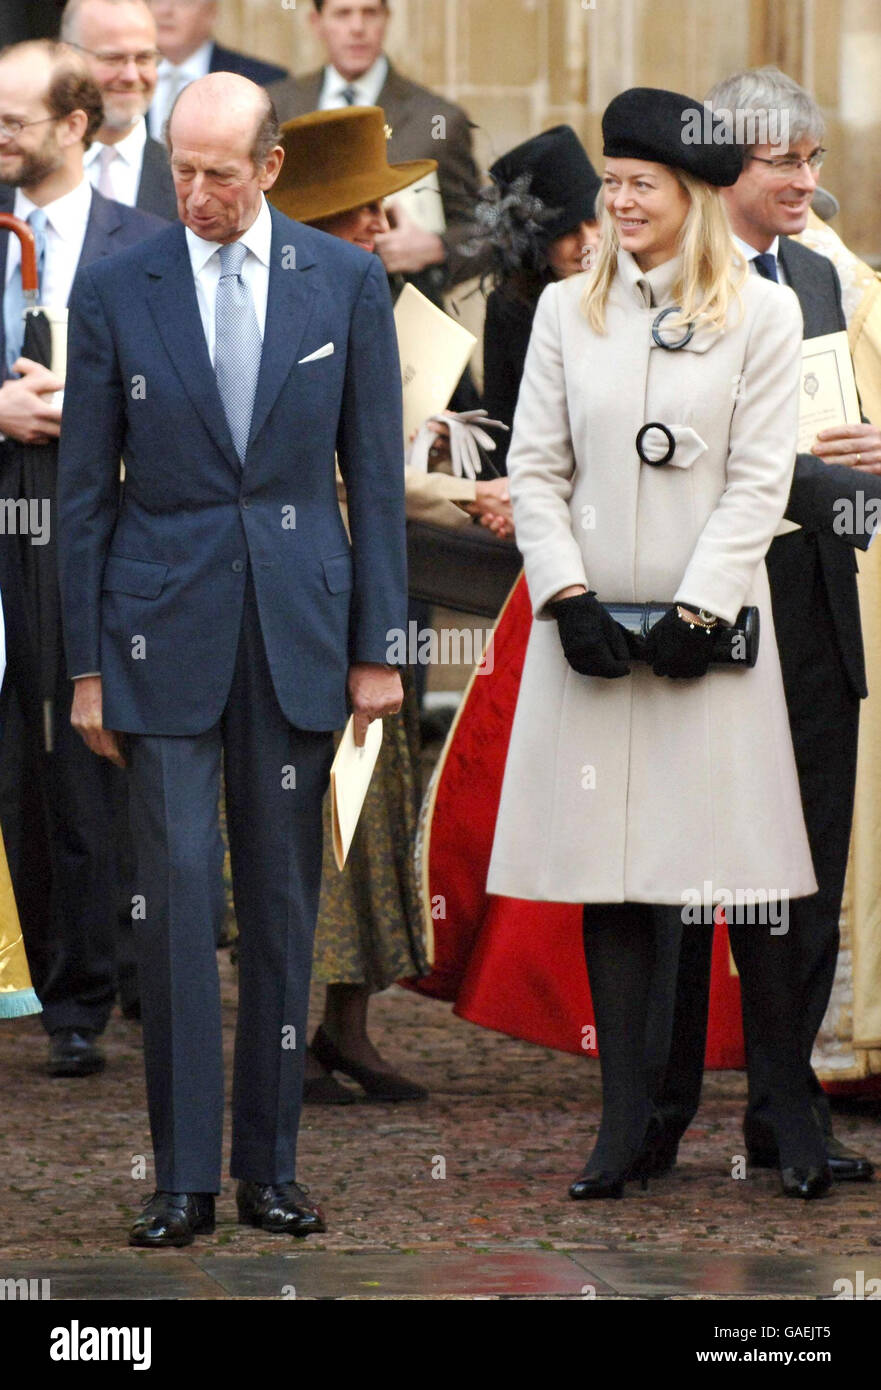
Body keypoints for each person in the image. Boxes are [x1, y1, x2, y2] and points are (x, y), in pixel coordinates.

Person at [57, 72, 407, 1247]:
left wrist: (380, 650)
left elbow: (375, 482)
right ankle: (182, 1180)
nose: (195, 194)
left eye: (217, 172)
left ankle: (269, 1169)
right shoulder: (115, 288)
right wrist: (88, 667)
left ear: (268, 170)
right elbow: (82, 495)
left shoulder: (349, 282)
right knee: (175, 910)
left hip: (300, 630)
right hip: (158, 636)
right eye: (179, 171)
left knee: (281, 907)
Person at [486, 85, 827, 1200]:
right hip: (586, 638)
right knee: (614, 881)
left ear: (687, 195)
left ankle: (776, 1112)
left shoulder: (760, 316)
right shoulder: (564, 311)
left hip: (707, 645)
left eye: (640, 187)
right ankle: (621, 1124)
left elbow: (756, 478)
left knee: (721, 873)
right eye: (611, 185)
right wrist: (567, 594)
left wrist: (699, 607)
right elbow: (533, 468)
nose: (618, 204)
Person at [652, 67, 881, 1184]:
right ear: (722, 166)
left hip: (815, 614)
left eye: (811, 159)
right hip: (709, 610)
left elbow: (833, 430)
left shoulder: (821, 281)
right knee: (698, 876)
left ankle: (785, 1111)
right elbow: (677, 452)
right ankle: (655, 1109)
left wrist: (867, 460)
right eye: (778, 160)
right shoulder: (670, 282)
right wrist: (801, 479)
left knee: (808, 873)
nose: (801, 181)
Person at [269, 104, 507, 1102]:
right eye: (365, 210)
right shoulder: (277, 305)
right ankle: (285, 1034)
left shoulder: (365, 292)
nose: (382, 226)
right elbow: (335, 471)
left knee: (370, 807)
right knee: (301, 816)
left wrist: (452, 453)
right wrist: (455, 486)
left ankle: (344, 1026)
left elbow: (385, 452)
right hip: (295, 596)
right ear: (322, 216)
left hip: (373, 595)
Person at [0, 40, 164, 1075]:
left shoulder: (139, 245)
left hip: (92, 526)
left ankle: (83, 990)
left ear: (74, 126)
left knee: (81, 755)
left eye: (13, 118)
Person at [269, 0, 481, 295]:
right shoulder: (276, 107)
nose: (357, 28)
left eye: (369, 13)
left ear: (386, 18)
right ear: (316, 22)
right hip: (295, 304)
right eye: (343, 14)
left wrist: (436, 248)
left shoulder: (438, 118)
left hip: (398, 313)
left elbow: (483, 233)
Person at [474, 126, 601, 475]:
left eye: (594, 221)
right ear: (538, 246)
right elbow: (503, 420)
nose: (588, 241)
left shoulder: (641, 288)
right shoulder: (511, 308)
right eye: (568, 232)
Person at [61, 0, 177, 220]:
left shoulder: (185, 180)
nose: (131, 76)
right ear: (68, 58)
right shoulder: (29, 172)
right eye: (112, 58)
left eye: (144, 58)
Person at [146, 0, 288, 138]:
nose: (166, 11)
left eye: (184, 1)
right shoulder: (127, 74)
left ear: (212, 11)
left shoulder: (264, 81)